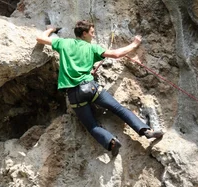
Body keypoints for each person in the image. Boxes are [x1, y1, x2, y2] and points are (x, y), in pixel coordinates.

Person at [36, 20, 163, 156]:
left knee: (91, 125)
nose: (93, 36)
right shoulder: (92, 48)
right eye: (92, 33)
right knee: (119, 109)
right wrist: (135, 44)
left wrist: (50, 29)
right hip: (91, 88)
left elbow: (40, 38)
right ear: (84, 34)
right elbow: (116, 54)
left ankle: (111, 142)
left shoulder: (64, 43)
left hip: (74, 95)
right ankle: (146, 131)